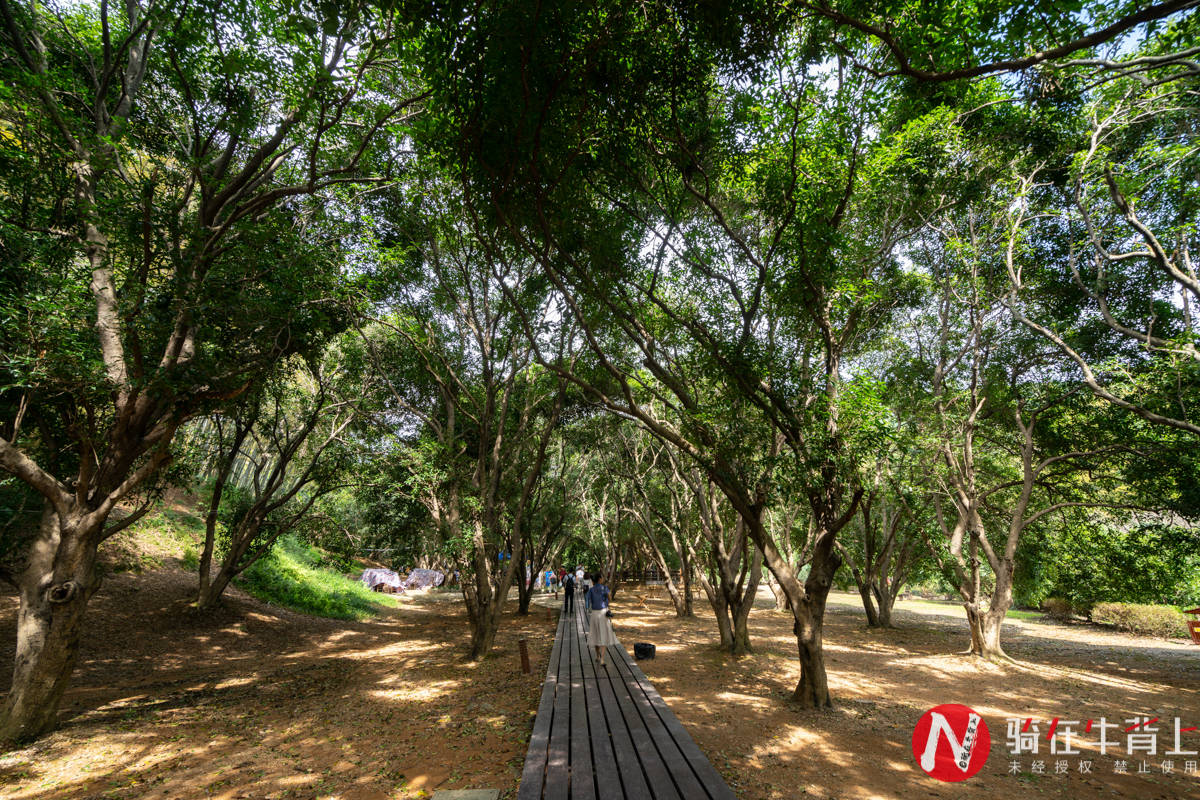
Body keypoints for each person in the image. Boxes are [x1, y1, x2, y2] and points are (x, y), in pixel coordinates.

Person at [585, 573, 616, 666]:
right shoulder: (604, 588)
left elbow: (587, 601)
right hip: (603, 613)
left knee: (595, 634)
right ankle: (602, 659)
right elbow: (610, 598)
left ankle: (597, 656)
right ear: (599, 579)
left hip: (594, 614)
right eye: (602, 577)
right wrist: (607, 598)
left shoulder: (591, 590)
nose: (602, 579)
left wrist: (588, 609)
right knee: (603, 635)